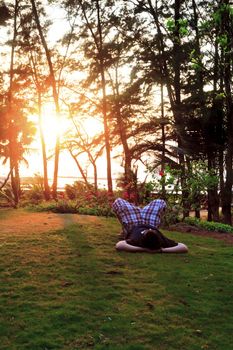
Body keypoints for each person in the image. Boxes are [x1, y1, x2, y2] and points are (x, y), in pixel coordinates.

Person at [112, 198, 188, 253]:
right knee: (160, 202)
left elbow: (119, 245)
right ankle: (141, 210)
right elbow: (184, 247)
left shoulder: (136, 240)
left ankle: (123, 231)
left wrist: (144, 250)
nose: (150, 230)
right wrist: (162, 250)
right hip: (151, 223)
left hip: (133, 223)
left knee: (118, 202)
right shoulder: (162, 240)